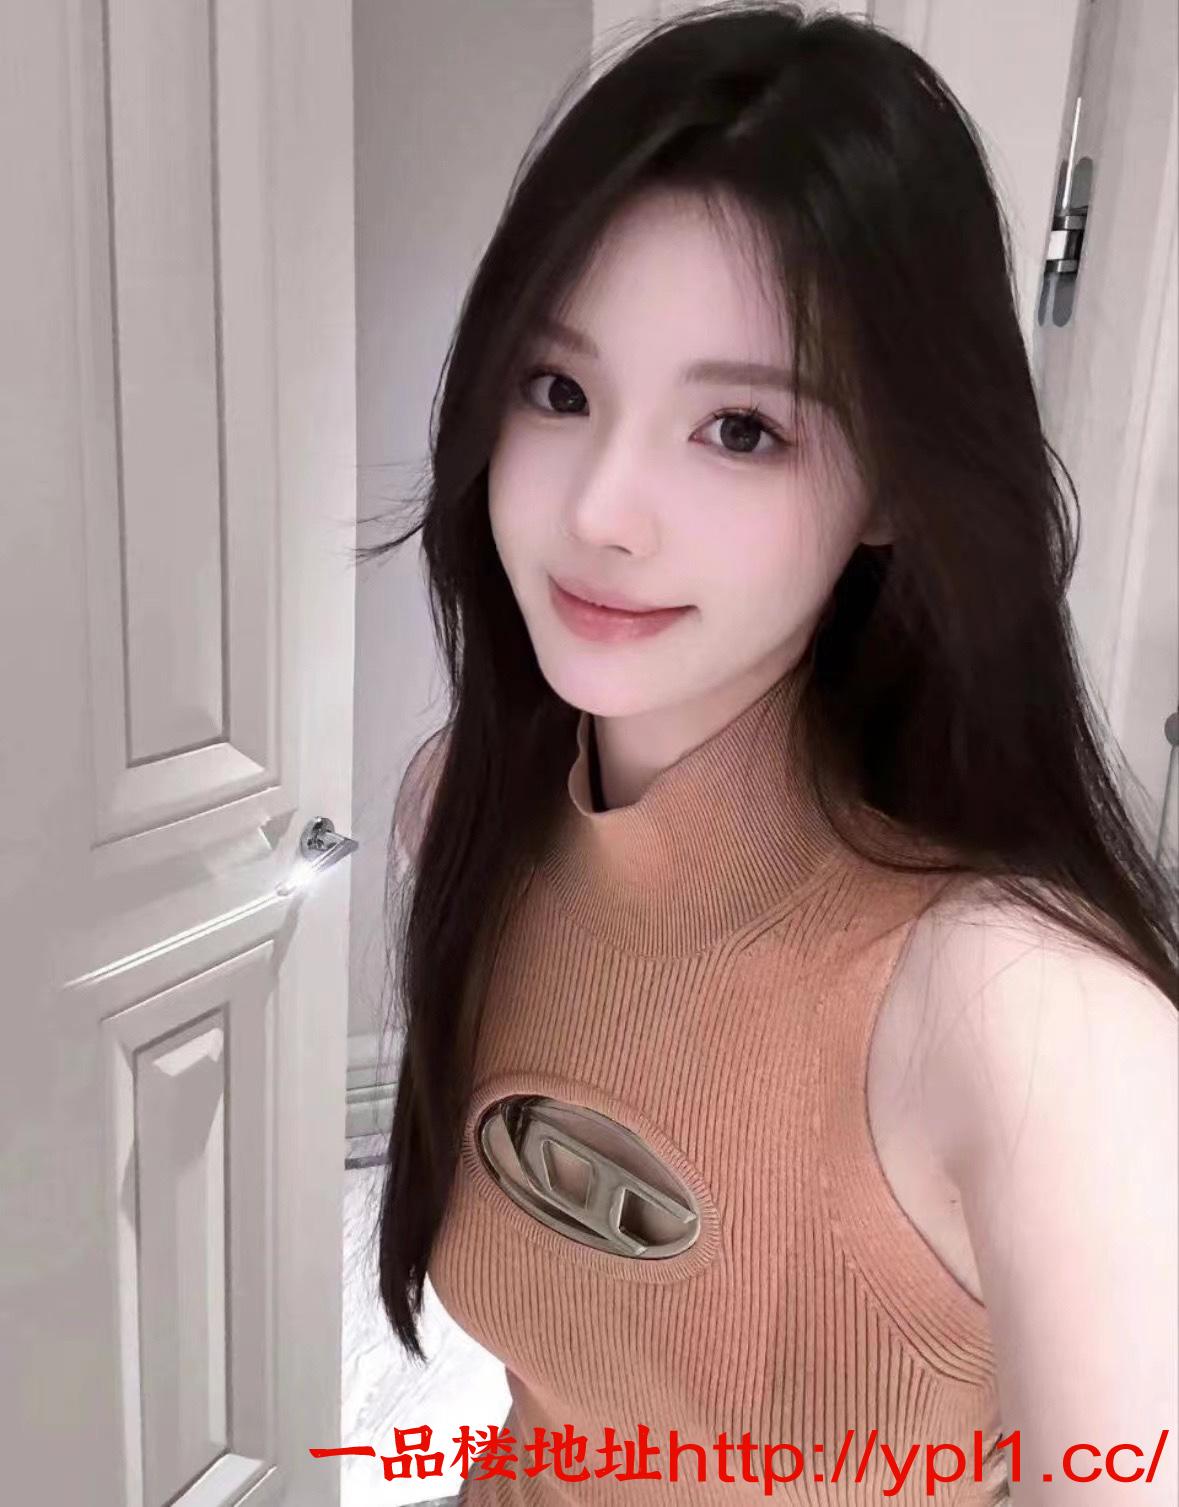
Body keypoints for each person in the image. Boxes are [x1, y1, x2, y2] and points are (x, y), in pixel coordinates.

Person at [355, 4, 1179, 1501]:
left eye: (740, 429)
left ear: (894, 484)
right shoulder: (462, 815)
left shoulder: (1028, 1018)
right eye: (559, 390)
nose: (602, 508)